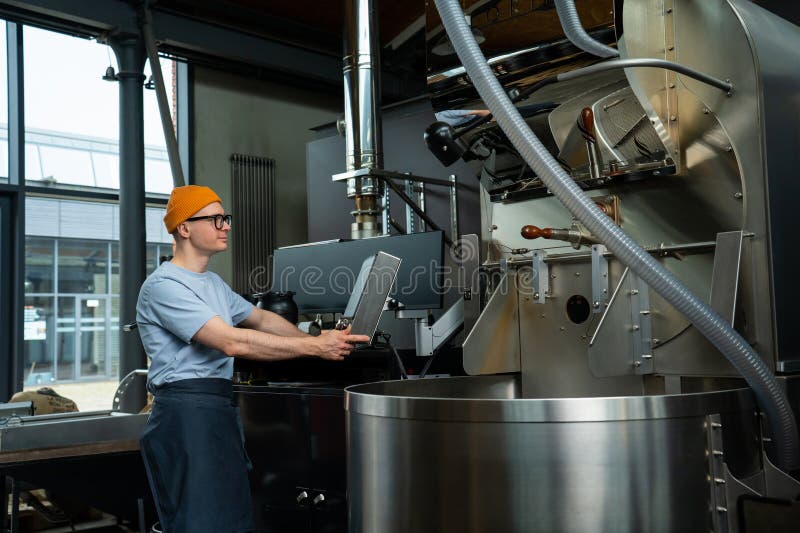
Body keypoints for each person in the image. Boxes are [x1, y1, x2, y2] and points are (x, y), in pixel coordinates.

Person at [136, 185, 370, 532]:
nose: (225, 225)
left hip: (218, 409)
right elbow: (231, 342)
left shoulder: (212, 283)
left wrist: (316, 339)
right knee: (200, 524)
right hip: (185, 415)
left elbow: (260, 319)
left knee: (233, 520)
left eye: (225, 218)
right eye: (215, 219)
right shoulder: (163, 286)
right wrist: (316, 348)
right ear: (183, 228)